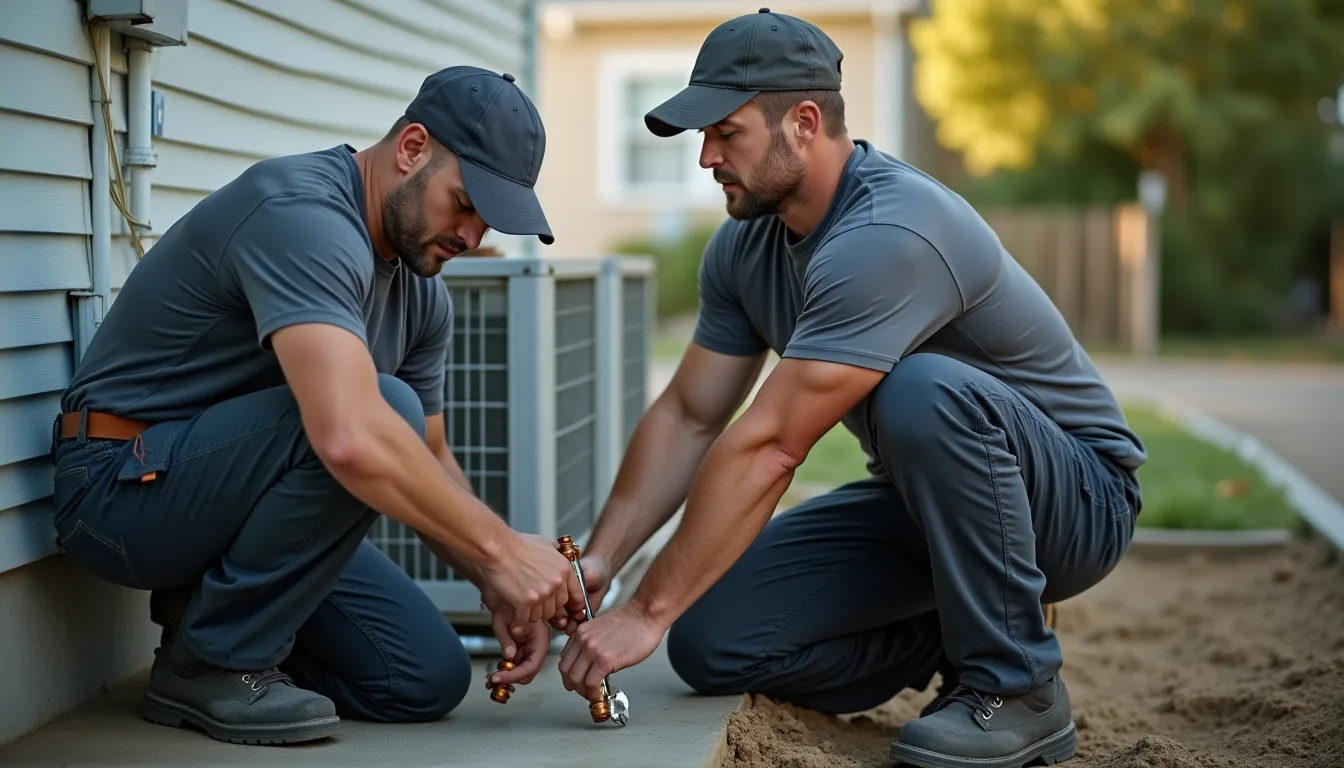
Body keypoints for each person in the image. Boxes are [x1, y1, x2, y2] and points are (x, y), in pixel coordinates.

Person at [537, 9, 1145, 768]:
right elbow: (690, 415)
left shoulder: (891, 232)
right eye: (703, 136)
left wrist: (646, 610)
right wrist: (603, 564)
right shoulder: (744, 247)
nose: (706, 157)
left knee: (920, 390)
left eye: (727, 134)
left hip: (1074, 502)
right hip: (926, 505)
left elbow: (772, 446)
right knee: (712, 641)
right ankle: (957, 634)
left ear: (803, 122)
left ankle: (1017, 683)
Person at [48, 65, 584, 746]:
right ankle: (212, 663)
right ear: (412, 148)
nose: (472, 237)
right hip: (118, 488)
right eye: (465, 203)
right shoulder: (302, 215)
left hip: (228, 501)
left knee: (422, 677)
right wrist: (503, 549)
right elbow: (349, 435)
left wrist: (494, 578)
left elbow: (428, 453)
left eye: (489, 221)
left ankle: (210, 617)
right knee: (378, 407)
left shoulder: (423, 294)